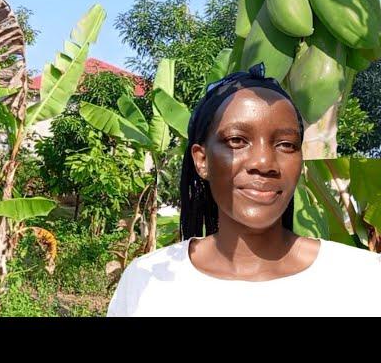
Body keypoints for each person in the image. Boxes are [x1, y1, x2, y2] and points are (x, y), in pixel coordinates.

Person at [107, 62, 381, 317]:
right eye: (237, 140)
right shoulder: (146, 283)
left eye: (286, 144)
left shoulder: (362, 280)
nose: (264, 162)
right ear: (202, 160)